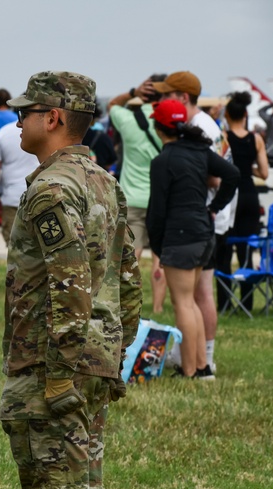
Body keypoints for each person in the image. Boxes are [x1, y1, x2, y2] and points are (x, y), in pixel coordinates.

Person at [0, 71, 142, 489]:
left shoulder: (53, 188)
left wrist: (58, 372)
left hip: (54, 360)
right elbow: (130, 274)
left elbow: (70, 282)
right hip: (92, 357)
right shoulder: (102, 181)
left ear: (54, 116)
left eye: (27, 111)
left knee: (56, 482)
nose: (18, 120)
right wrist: (118, 348)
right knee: (81, 481)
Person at [147, 99, 239, 378]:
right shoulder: (200, 150)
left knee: (183, 304)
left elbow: (157, 211)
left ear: (158, 127)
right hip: (203, 234)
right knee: (193, 302)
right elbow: (232, 174)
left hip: (181, 236)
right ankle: (202, 367)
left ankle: (190, 370)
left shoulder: (163, 161)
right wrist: (213, 208)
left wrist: (158, 247)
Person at [108, 75, 168, 312]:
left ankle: (126, 304)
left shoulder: (128, 120)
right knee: (159, 258)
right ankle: (158, 308)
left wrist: (133, 91)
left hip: (132, 197)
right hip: (159, 199)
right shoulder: (165, 123)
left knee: (131, 255)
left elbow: (112, 105)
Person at [216, 92, 269, 313]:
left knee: (224, 251)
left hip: (230, 194)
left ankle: (225, 303)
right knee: (246, 249)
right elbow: (265, 173)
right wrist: (250, 169)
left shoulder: (223, 137)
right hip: (249, 193)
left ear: (227, 115)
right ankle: (246, 302)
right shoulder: (256, 138)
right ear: (246, 114)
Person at [0, 121, 39, 245]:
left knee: (14, 246)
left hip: (12, 197)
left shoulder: (3, 132)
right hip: (38, 194)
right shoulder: (42, 130)